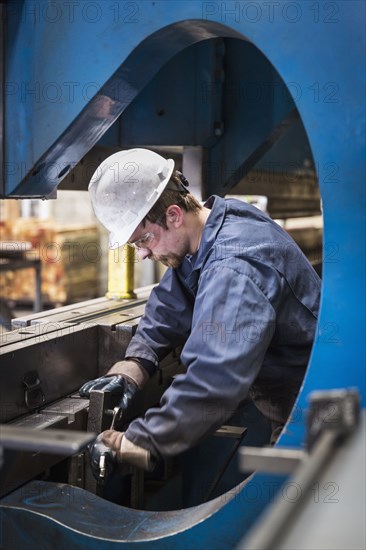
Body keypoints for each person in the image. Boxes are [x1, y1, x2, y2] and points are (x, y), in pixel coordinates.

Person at [80, 148, 321, 477]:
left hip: (314, 413)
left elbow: (213, 380)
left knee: (291, 515)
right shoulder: (216, 224)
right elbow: (170, 301)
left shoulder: (235, 267)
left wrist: (137, 442)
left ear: (174, 215)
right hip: (293, 399)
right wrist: (130, 369)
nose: (144, 254)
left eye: (143, 241)